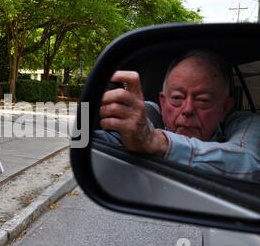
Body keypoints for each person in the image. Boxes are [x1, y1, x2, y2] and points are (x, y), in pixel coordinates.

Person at [98, 50, 260, 182]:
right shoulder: (147, 116)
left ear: (225, 109)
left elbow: (250, 164)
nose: (188, 109)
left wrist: (155, 141)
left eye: (203, 100)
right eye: (177, 98)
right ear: (162, 102)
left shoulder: (244, 121)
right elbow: (93, 139)